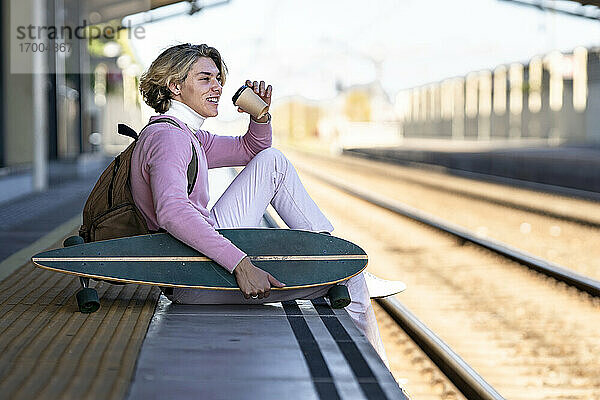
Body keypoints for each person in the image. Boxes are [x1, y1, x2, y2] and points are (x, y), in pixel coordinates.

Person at [133, 43, 388, 364]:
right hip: (195, 277)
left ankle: (334, 252)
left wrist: (261, 115)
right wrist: (241, 264)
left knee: (273, 161)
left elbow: (251, 151)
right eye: (205, 79)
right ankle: (383, 380)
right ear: (174, 86)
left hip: (195, 263)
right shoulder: (170, 138)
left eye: (218, 78)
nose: (218, 86)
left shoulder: (187, 133)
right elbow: (172, 212)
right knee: (348, 281)